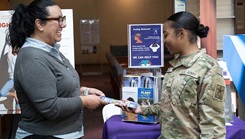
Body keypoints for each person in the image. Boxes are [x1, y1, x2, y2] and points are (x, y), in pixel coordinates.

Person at [118, 11, 226, 139]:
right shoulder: (175, 66)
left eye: (165, 34)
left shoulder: (208, 68)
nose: (163, 40)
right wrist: (142, 109)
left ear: (181, 33)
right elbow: (169, 104)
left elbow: (213, 127)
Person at [7, 0, 105, 138]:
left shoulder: (51, 51)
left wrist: (84, 90)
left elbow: (56, 86)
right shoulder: (32, 58)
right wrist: (85, 101)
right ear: (39, 24)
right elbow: (50, 107)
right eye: (58, 20)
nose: (63, 25)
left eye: (62, 19)